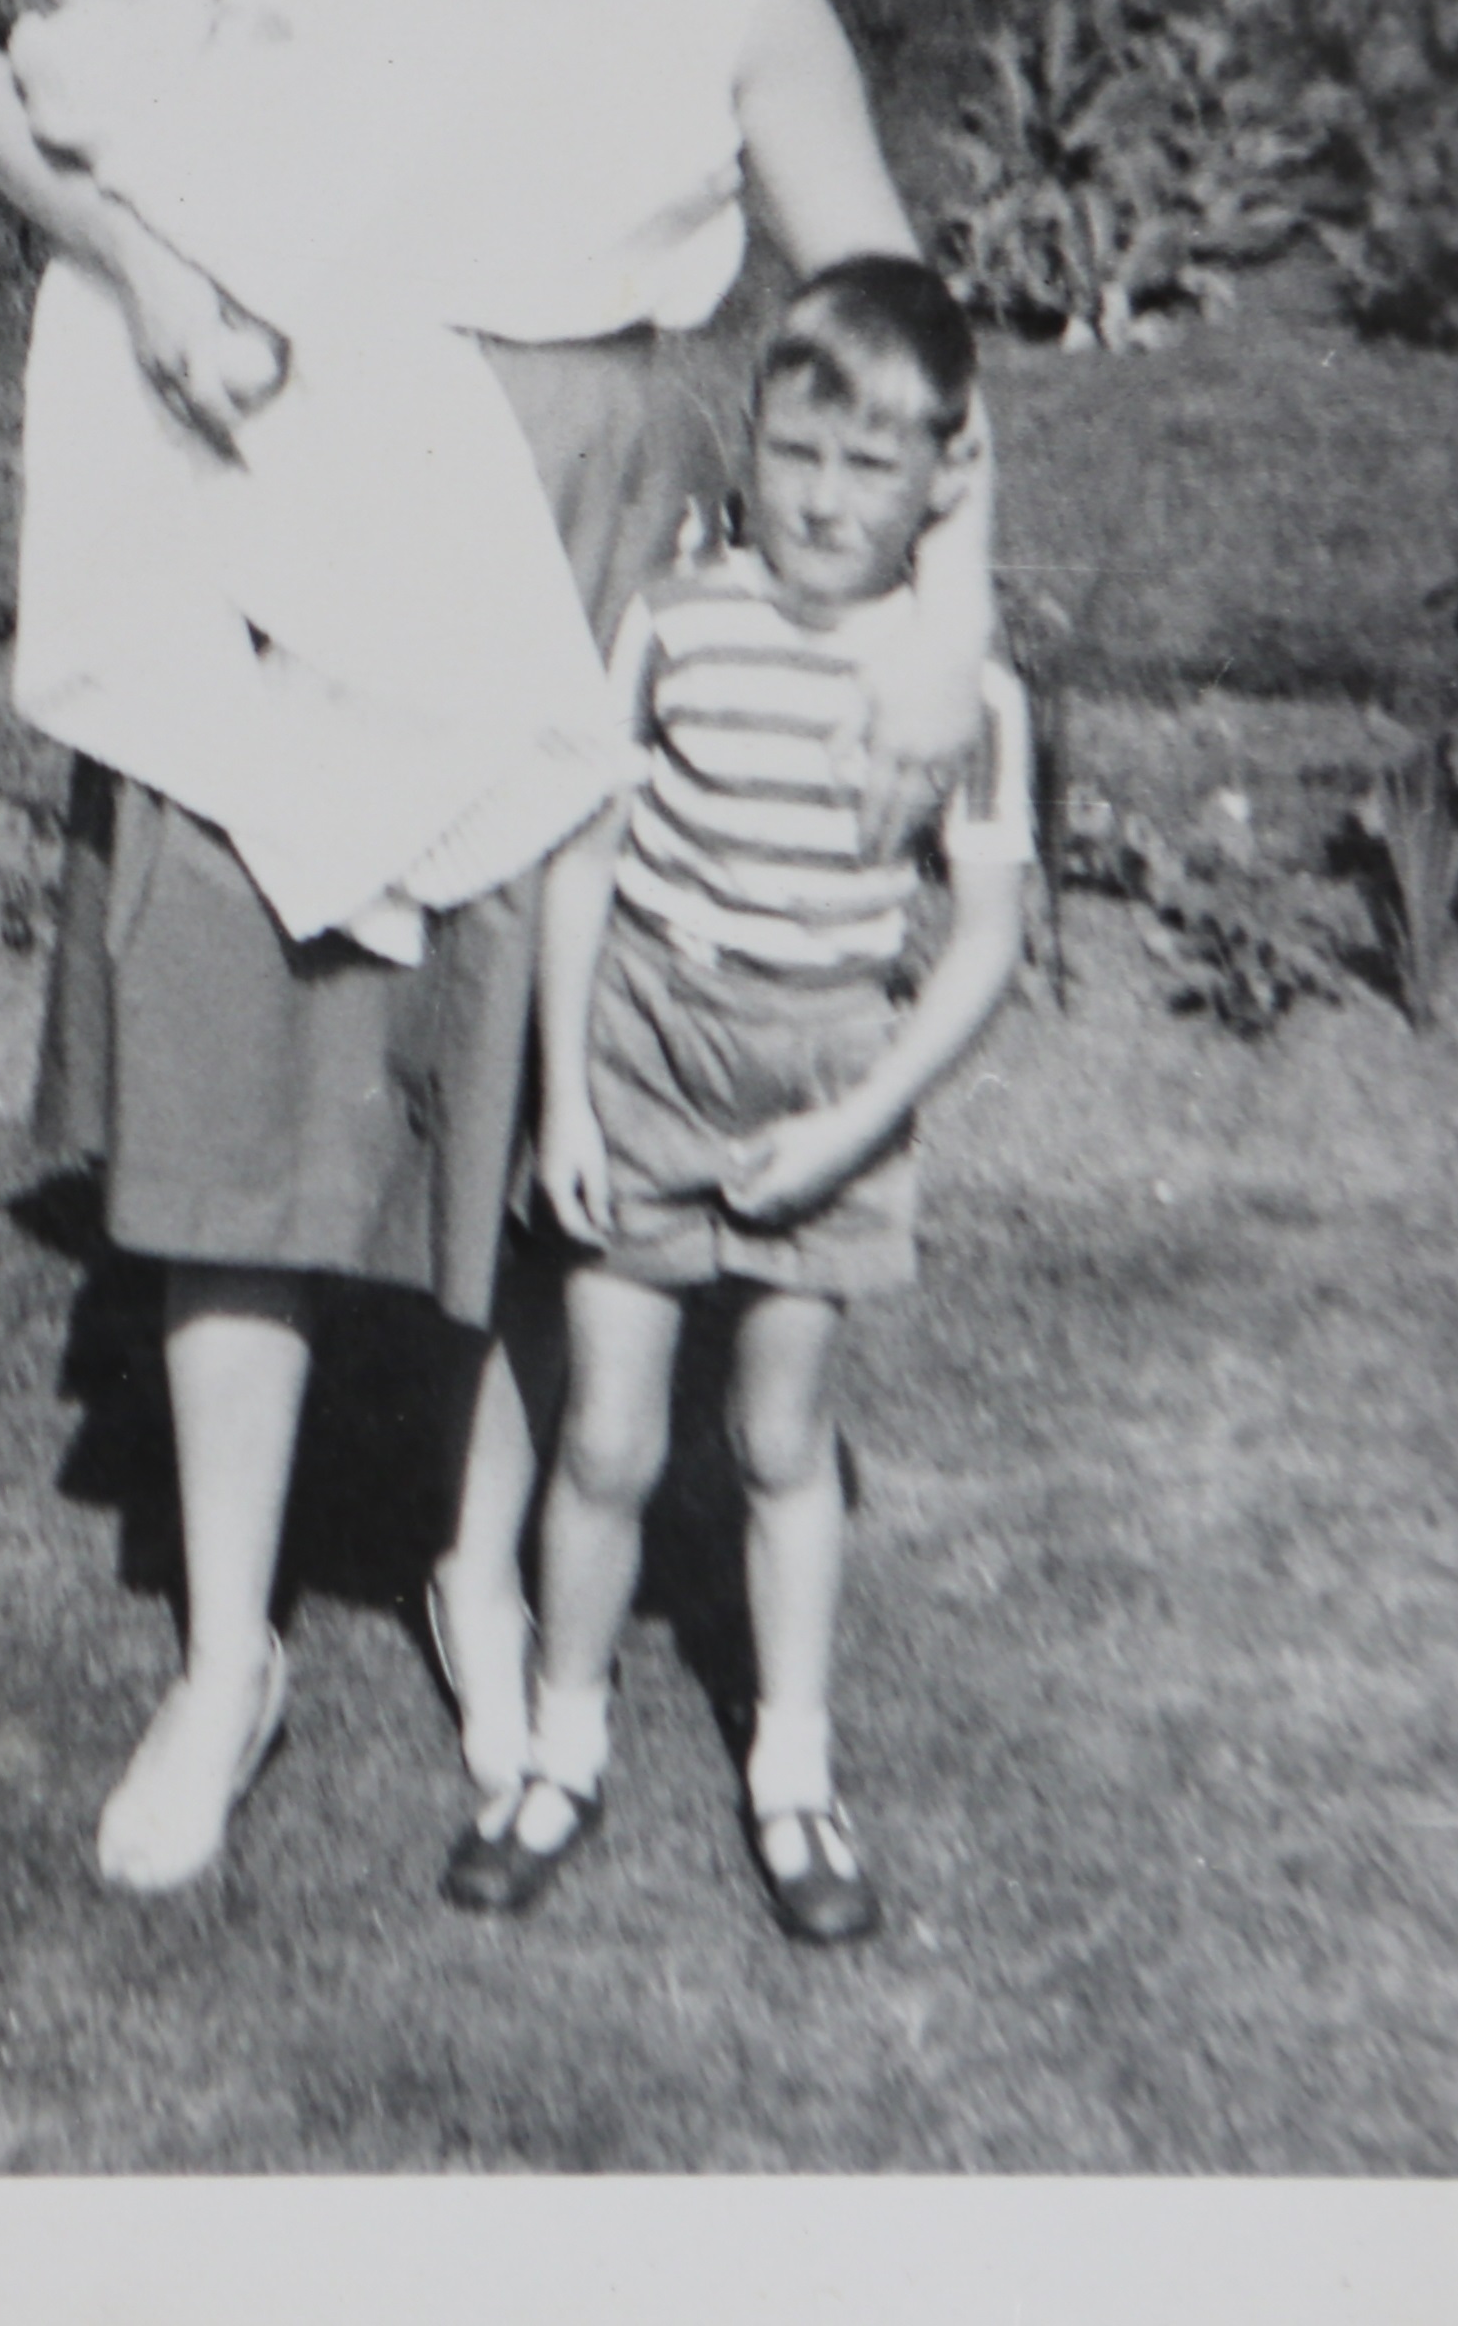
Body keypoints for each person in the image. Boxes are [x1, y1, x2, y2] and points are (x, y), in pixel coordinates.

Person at [0, 0, 997, 1895]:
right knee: (246, 1067)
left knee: (531, 1124)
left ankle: (484, 1579)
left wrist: (937, 613)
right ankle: (227, 1656)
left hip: (579, 531)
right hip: (296, 510)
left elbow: (899, 323)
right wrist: (150, 266)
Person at [448, 255, 1030, 1940]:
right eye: (796, 452)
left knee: (779, 1437)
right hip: (646, 1047)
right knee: (613, 1435)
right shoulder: (680, 623)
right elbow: (590, 860)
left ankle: (793, 1770)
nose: (826, 495)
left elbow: (983, 944)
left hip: (826, 1074)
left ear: (937, 481)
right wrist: (567, 1096)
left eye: (870, 465)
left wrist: (859, 1126)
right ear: (752, 444)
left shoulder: (959, 696)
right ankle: (559, 1750)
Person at [0, 0, 630, 962]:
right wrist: (230, 4)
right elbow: (128, 110)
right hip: (197, 248)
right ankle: (343, 831)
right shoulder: (75, 39)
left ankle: (358, 825)